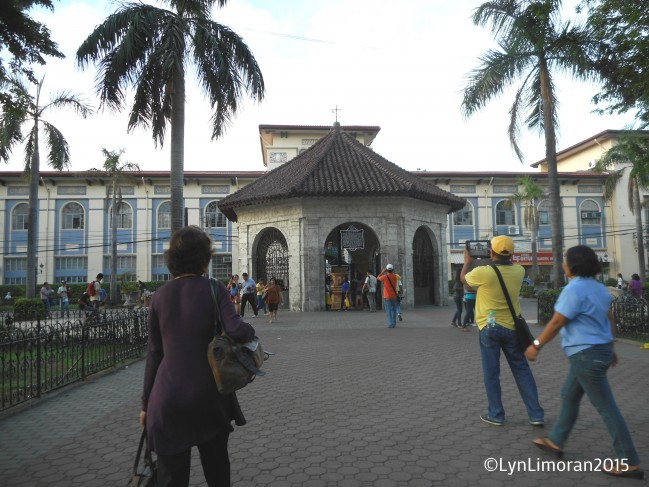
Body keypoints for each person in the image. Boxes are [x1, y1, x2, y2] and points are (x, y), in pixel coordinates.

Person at [140, 225, 256, 487]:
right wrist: (250, 331)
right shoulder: (214, 288)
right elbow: (237, 330)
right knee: (217, 470)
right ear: (205, 259)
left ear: (173, 260)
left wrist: (146, 404)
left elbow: (154, 354)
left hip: (166, 398)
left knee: (171, 477)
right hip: (208, 396)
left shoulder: (159, 297)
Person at [525, 246, 643, 478]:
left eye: (565, 260)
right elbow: (608, 318)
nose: (562, 264)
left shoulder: (574, 289)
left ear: (574, 265)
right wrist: (610, 347)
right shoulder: (599, 289)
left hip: (585, 354)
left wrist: (536, 345)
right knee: (569, 395)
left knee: (606, 407)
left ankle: (629, 461)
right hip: (597, 351)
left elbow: (557, 321)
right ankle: (555, 442)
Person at [462, 235, 544, 426]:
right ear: (512, 254)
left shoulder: (484, 272)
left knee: (491, 372)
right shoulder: (520, 271)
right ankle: (536, 414)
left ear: (491, 252)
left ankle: (496, 414)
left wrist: (468, 261)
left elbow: (464, 281)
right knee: (521, 370)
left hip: (488, 328)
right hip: (511, 328)